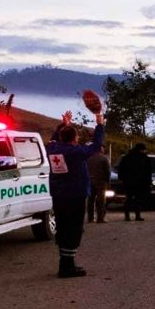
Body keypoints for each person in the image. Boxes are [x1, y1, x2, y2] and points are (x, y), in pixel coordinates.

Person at [48, 110, 105, 278]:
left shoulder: (52, 149)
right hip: (75, 195)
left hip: (58, 195)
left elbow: (54, 138)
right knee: (74, 230)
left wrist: (63, 126)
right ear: (74, 139)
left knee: (63, 228)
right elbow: (96, 145)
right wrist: (100, 124)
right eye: (77, 137)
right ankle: (67, 267)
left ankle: (65, 263)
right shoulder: (76, 152)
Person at [119, 143, 152, 222]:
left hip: (128, 182)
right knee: (138, 199)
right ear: (142, 149)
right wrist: (148, 182)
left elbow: (121, 170)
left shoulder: (126, 157)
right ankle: (137, 216)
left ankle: (127, 216)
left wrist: (122, 179)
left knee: (129, 199)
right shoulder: (144, 158)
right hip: (140, 183)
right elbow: (148, 172)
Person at [87, 145, 111, 224]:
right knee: (101, 200)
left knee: (90, 200)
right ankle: (100, 218)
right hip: (101, 181)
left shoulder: (88, 157)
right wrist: (108, 182)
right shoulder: (104, 158)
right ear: (100, 149)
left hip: (90, 180)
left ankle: (90, 218)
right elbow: (107, 171)